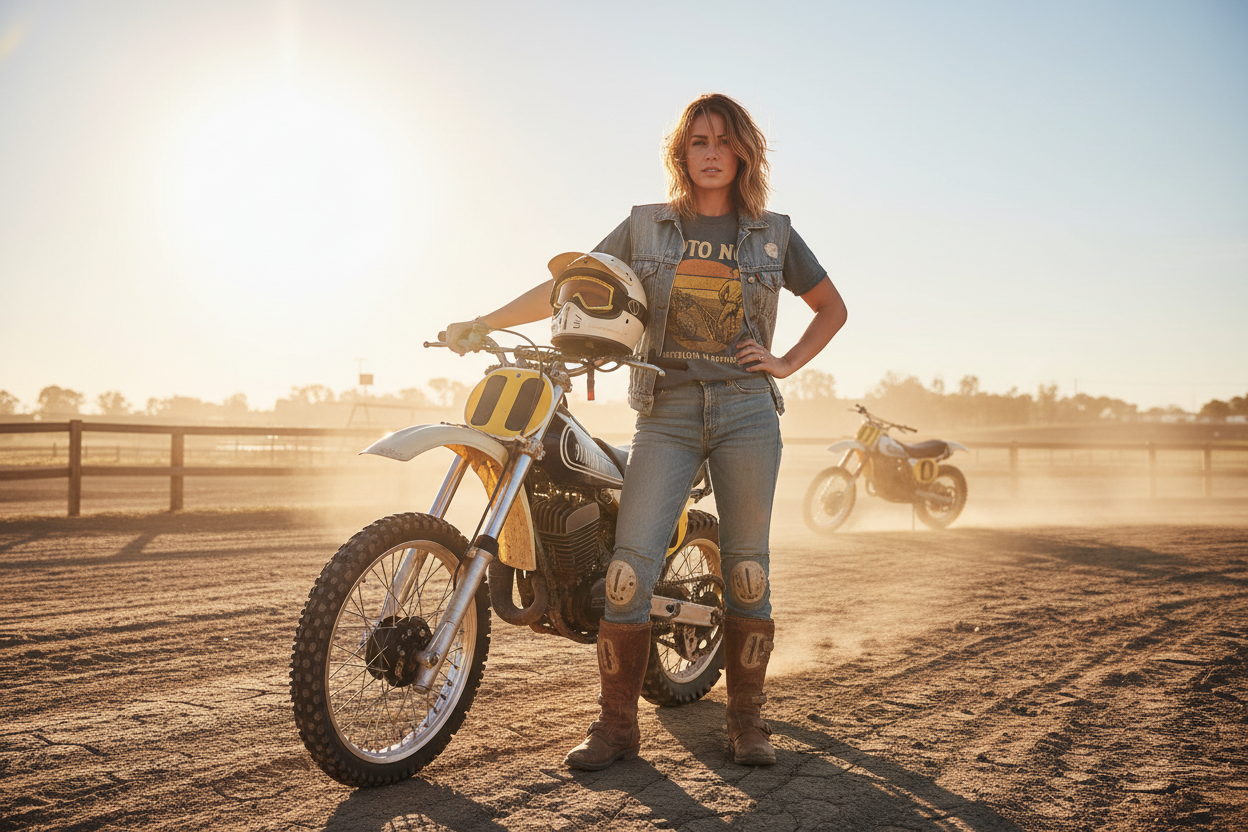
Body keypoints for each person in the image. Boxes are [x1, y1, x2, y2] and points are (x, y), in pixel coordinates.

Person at [444, 93, 847, 770]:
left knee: (748, 571)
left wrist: (784, 363)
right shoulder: (645, 227)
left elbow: (831, 308)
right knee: (628, 572)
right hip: (666, 412)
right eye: (698, 142)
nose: (711, 152)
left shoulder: (775, 232)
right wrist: (484, 321)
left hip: (748, 411)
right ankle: (615, 730)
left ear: (743, 151)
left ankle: (747, 724)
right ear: (682, 154)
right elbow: (568, 286)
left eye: (723, 140)